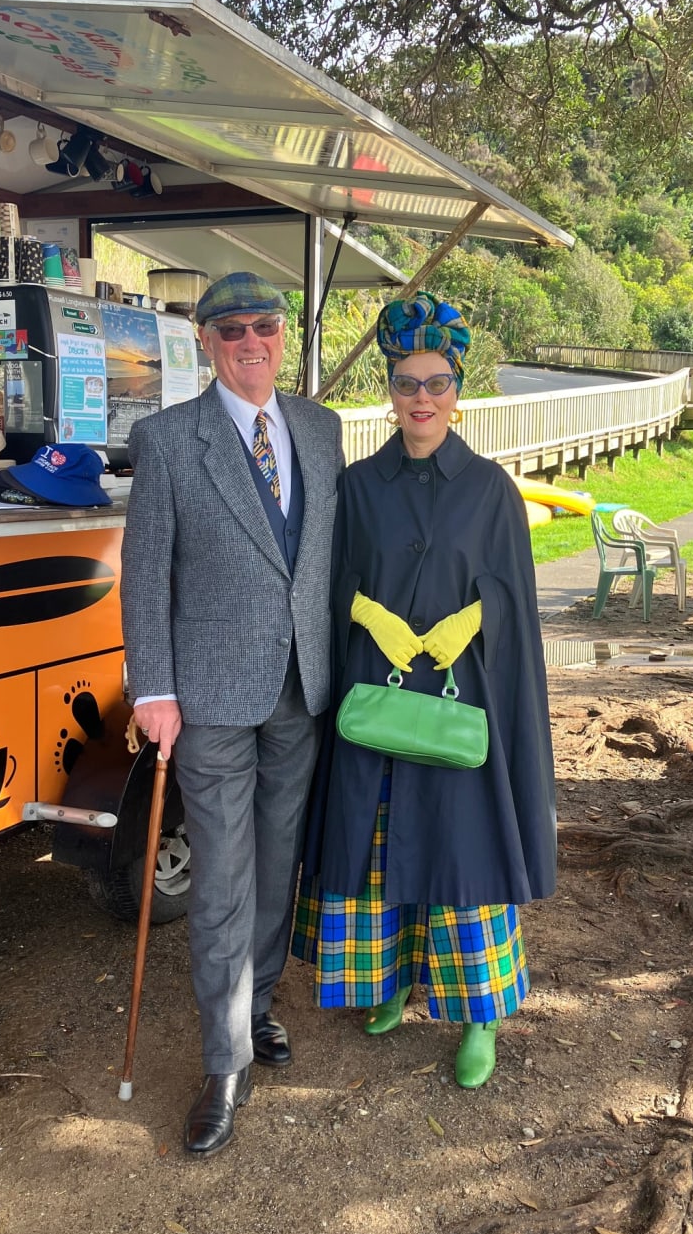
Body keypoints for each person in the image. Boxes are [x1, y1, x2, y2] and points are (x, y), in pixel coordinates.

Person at [294, 292, 556, 1088]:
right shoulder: (358, 485)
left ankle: (479, 1015)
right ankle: (388, 982)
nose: (421, 399)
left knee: (459, 847)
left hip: (459, 693)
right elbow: (326, 580)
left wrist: (473, 619)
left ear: (458, 388)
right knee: (378, 843)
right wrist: (363, 610)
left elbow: (515, 592)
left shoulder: (490, 489)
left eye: (437, 383)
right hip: (377, 684)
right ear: (389, 387)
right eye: (407, 382)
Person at [121, 272, 344, 1156]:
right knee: (221, 874)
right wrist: (153, 689)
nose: (251, 342)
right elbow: (145, 575)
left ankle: (256, 1008)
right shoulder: (169, 439)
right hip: (209, 692)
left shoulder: (322, 430)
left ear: (282, 336)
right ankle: (224, 1062)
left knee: (278, 861)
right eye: (231, 330)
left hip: (302, 687)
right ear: (206, 341)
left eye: (265, 326)